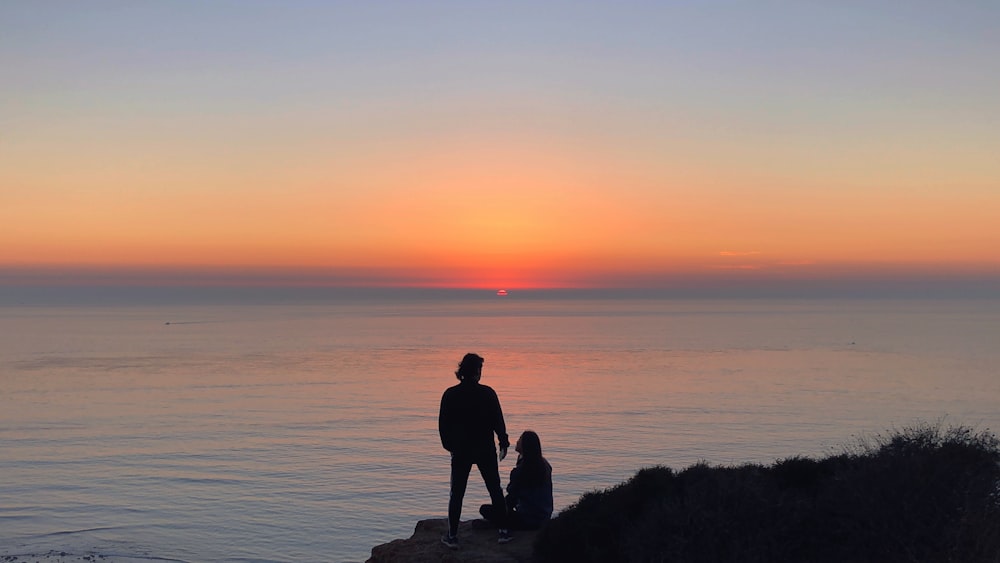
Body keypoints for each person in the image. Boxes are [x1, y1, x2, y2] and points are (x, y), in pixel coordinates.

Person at [438, 353, 511, 548]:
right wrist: (503, 442)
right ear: (477, 372)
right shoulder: (488, 393)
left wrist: (450, 447)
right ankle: (503, 532)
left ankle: (452, 535)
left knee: (457, 493)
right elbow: (498, 421)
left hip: (461, 450)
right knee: (495, 489)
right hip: (485, 449)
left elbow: (443, 426)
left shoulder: (450, 394)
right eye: (480, 369)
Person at [480, 430, 554, 530]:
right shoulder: (545, 465)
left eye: (520, 439)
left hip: (527, 519)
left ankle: (498, 525)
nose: (517, 441)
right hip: (544, 516)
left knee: (485, 509)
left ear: (525, 446)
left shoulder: (521, 470)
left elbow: (512, 496)